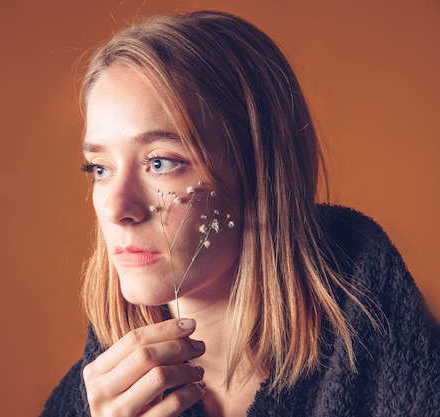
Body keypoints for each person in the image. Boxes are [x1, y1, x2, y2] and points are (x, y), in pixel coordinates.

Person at [40, 10, 440, 417]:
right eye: (100, 169)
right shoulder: (83, 403)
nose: (115, 207)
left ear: (259, 176)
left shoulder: (407, 372)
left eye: (161, 162)